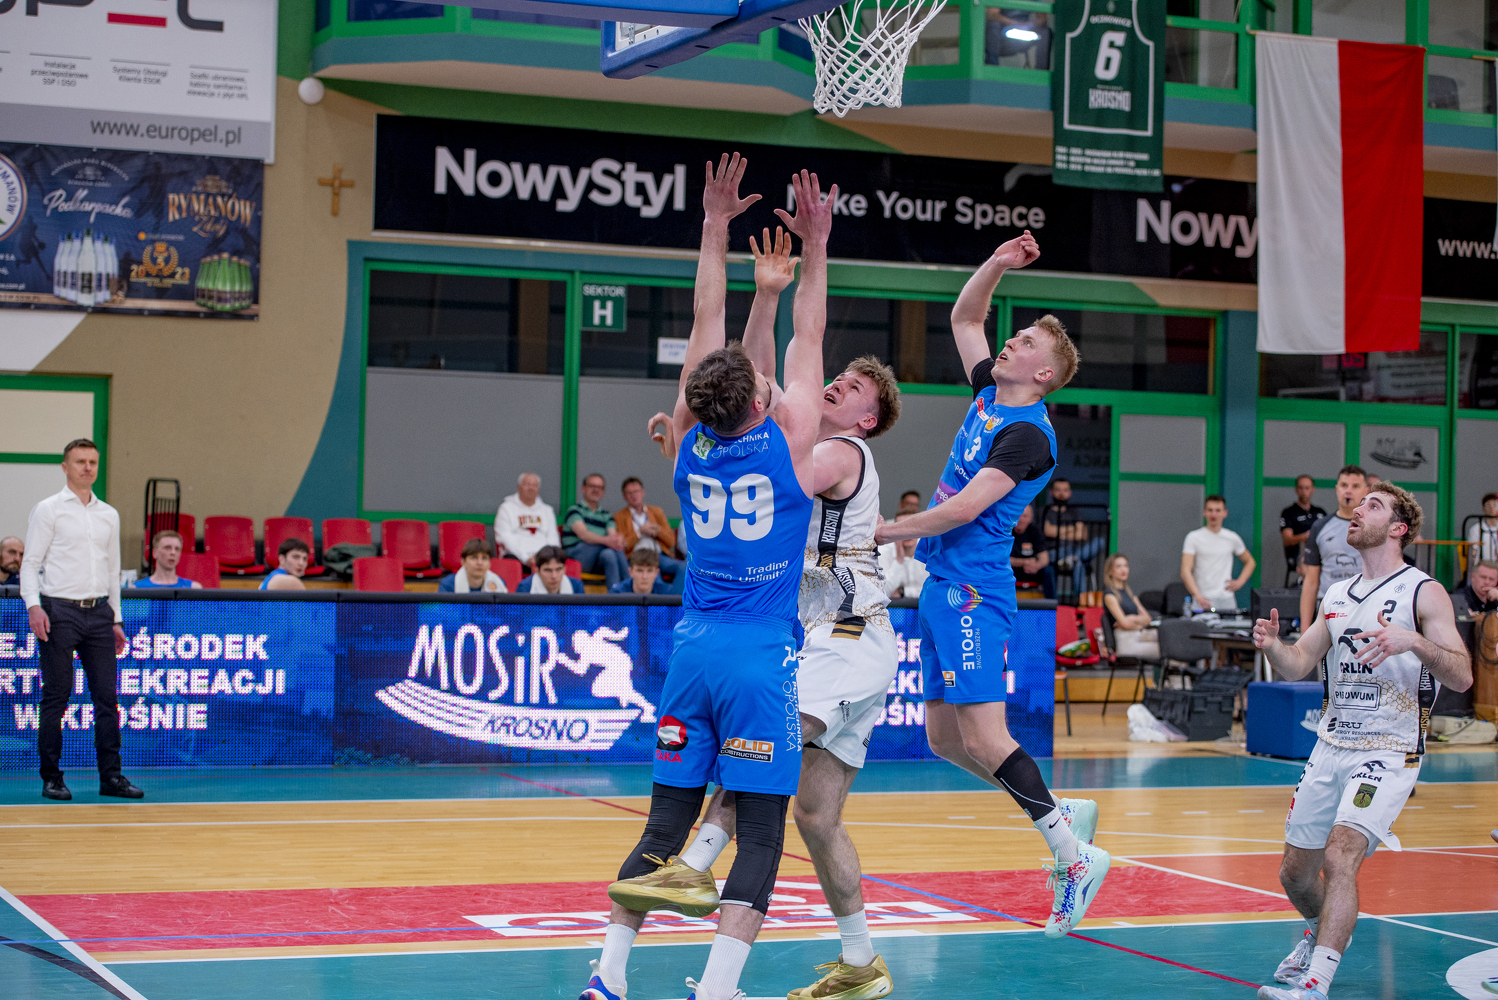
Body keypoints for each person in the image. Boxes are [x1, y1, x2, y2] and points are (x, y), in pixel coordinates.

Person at [578, 156, 827, 1000]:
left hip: (693, 656)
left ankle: (609, 976)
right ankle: (716, 989)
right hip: (759, 660)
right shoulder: (793, 446)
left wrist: (714, 226)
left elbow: (704, 317)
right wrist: (815, 249)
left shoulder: (684, 447)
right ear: (761, 404)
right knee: (761, 829)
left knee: (664, 826)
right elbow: (808, 341)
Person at [651, 223, 907, 999]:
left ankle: (693, 864)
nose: (837, 386)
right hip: (837, 641)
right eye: (838, 379)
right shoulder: (795, 440)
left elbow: (761, 400)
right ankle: (861, 964)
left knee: (764, 745)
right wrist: (766, 298)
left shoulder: (836, 453)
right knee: (816, 816)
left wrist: (694, 442)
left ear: (866, 419)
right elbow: (759, 384)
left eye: (853, 389)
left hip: (845, 637)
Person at [873, 230, 1109, 940]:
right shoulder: (988, 395)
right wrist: (999, 263)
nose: (1011, 341)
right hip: (941, 585)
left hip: (972, 592)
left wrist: (884, 529)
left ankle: (1073, 857)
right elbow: (965, 317)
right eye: (1017, 335)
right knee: (945, 740)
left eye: (1027, 342)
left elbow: (966, 509)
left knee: (985, 735)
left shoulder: (1028, 435)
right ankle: (1059, 813)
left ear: (1045, 373)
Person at [1251, 484, 1470, 1000]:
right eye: (1358, 503)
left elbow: (1462, 676)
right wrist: (1273, 646)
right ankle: (1323, 932)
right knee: (1294, 875)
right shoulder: (1336, 594)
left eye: (1373, 505)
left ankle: (1316, 983)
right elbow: (1299, 664)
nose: (1356, 510)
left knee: (1341, 853)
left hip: (1389, 749)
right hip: (1330, 747)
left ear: (1398, 528)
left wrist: (1413, 641)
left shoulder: (1423, 591)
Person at [20, 438, 142, 802]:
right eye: (80, 461)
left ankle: (111, 777)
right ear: (65, 467)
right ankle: (51, 777)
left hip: (100, 613)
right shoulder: (48, 509)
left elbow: (112, 569)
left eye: (92, 462)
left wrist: (116, 619)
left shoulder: (109, 514)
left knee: (107, 697)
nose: (87, 467)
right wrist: (33, 606)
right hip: (59, 610)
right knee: (57, 696)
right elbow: (30, 563)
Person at [1301, 466, 1371, 632]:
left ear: (1366, 491)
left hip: (1365, 608)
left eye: (1355, 486)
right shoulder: (1320, 527)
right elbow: (1311, 582)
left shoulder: (1375, 527)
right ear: (1337, 489)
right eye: (1344, 485)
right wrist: (1304, 630)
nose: (1348, 491)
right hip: (1329, 609)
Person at [1181, 495, 1255, 612]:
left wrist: (1240, 582)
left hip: (1226, 598)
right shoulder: (1193, 537)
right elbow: (1185, 570)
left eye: (1218, 510)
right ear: (1204, 512)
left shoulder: (1232, 537)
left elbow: (1250, 562)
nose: (1214, 514)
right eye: (1210, 510)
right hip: (1203, 598)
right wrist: (1197, 595)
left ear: (1225, 513)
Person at [613, 477, 684, 587]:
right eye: (629, 493)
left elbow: (671, 541)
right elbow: (622, 546)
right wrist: (640, 532)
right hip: (636, 557)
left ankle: (673, 596)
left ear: (643, 492)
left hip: (658, 555)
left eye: (636, 491)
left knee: (684, 567)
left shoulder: (656, 512)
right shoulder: (619, 517)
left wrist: (657, 530)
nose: (634, 495)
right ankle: (659, 597)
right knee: (653, 575)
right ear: (624, 497)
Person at [563, 473, 630, 589]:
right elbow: (583, 535)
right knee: (608, 546)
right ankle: (630, 584)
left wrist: (618, 540)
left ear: (603, 492)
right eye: (592, 486)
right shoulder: (574, 510)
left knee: (609, 554)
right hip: (577, 558)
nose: (596, 490)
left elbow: (612, 536)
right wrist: (608, 541)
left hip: (598, 561)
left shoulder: (607, 515)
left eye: (599, 487)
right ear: (583, 489)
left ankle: (615, 596)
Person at [1043, 477, 1104, 592]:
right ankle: (1074, 559)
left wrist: (1058, 531)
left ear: (1070, 493)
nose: (1061, 493)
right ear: (1051, 492)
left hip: (1074, 550)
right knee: (1078, 563)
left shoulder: (1075, 511)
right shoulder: (1046, 511)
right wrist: (1072, 529)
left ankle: (1072, 559)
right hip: (1055, 552)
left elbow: (1081, 534)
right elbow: (1048, 532)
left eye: (1065, 490)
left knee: (1100, 542)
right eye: (1058, 490)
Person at [495, 472, 560, 569]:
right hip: (517, 558)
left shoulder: (547, 510)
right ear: (519, 487)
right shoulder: (506, 509)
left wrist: (546, 557)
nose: (531, 488)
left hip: (544, 560)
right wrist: (526, 558)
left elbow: (553, 538)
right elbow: (505, 538)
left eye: (535, 485)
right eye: (527, 484)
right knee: (509, 560)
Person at [1101, 553, 1158, 659]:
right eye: (1119, 566)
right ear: (1110, 571)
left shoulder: (1130, 594)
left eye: (1126, 566)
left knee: (1167, 638)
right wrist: (1139, 621)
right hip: (1125, 639)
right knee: (1166, 649)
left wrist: (1131, 618)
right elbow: (1125, 624)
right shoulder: (1110, 595)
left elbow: (1148, 619)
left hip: (1139, 633)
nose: (1123, 570)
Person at [1281, 475, 1326, 585]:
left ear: (1313, 489)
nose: (1304, 492)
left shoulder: (1320, 512)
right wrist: (1305, 536)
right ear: (1296, 490)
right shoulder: (1289, 512)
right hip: (1299, 554)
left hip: (1321, 552)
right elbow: (1287, 539)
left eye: (1307, 488)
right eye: (1301, 488)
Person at [881, 512, 929, 599]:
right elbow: (882, 592)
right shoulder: (883, 551)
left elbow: (932, 592)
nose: (907, 532)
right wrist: (899, 560)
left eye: (911, 527)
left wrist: (903, 591)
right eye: (902, 528)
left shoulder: (929, 550)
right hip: (894, 607)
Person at [1010, 502, 1052, 597]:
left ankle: (1052, 603)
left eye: (1025, 516)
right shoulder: (1006, 532)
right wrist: (1024, 562)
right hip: (1012, 570)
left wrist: (1037, 566)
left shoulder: (1035, 531)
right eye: (1018, 516)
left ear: (1030, 518)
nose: (1021, 519)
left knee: (1048, 571)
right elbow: (1001, 559)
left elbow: (1045, 559)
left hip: (1031, 571)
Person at [132, 531, 201, 589]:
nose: (173, 553)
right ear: (154, 553)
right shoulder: (137, 588)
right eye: (167, 547)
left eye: (177, 549)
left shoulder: (193, 588)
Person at [438, 538, 507, 593]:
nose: (480, 563)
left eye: (484, 558)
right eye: (474, 558)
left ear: (490, 563)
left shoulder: (499, 583)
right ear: (463, 561)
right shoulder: (448, 585)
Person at [519, 545, 583, 595]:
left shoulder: (576, 586)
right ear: (537, 570)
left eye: (558, 569)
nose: (554, 576)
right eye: (548, 570)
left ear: (565, 569)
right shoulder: (525, 587)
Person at [1466, 493, 1498, 563]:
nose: (1492, 508)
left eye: (1495, 505)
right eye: (1488, 505)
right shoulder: (1476, 529)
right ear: (1483, 509)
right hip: (1484, 566)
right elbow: (1472, 556)